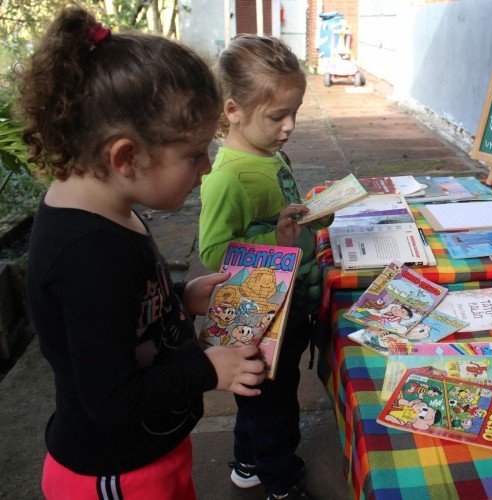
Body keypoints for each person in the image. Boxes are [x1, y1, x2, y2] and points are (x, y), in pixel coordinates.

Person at [18, 7, 267, 499]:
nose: (207, 165)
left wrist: (180, 297)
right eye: (194, 153)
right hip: (116, 473)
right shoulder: (88, 257)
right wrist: (208, 369)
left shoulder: (109, 207)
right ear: (126, 157)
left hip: (149, 452)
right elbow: (111, 397)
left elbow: (120, 315)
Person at [199, 35, 333, 499]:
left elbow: (280, 213)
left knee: (259, 400)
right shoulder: (227, 178)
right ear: (233, 109)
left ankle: (248, 464)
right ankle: (281, 481)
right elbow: (214, 253)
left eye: (294, 111)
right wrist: (274, 240)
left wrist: (311, 211)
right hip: (263, 320)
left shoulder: (269, 154)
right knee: (273, 407)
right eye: (277, 115)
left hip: (290, 308)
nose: (290, 125)